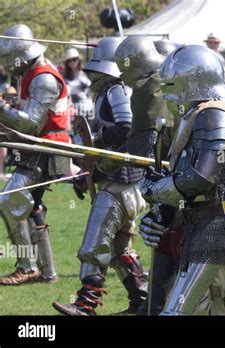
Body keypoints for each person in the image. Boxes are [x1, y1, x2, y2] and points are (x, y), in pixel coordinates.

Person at [139, 45, 225, 315]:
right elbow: (190, 180)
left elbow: (200, 178)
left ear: (191, 81)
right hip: (210, 223)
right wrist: (164, 214)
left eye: (171, 83)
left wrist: (154, 190)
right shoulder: (203, 111)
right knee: (217, 306)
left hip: (220, 227)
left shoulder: (216, 112)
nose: (166, 91)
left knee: (179, 310)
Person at [52, 37, 148, 316]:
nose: (91, 75)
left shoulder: (116, 90)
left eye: (96, 70)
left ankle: (85, 306)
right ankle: (141, 301)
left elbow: (125, 128)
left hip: (120, 183)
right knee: (120, 247)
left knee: (94, 244)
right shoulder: (109, 91)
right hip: (120, 182)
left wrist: (93, 139)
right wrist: (86, 173)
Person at [0, 24, 71, 285]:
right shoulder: (30, 74)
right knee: (31, 208)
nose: (6, 66)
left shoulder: (43, 78)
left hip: (47, 149)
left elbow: (31, 123)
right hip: (35, 149)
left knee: (9, 200)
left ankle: (27, 266)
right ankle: (47, 272)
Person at [115, 35, 178, 315]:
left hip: (171, 176)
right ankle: (156, 303)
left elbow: (145, 142)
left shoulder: (148, 87)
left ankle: (154, 306)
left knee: (166, 237)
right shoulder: (169, 80)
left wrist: (107, 162)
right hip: (186, 172)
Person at [62, 47, 93, 119]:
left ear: (78, 60)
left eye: (74, 59)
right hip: (75, 113)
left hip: (90, 109)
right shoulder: (65, 77)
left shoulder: (86, 73)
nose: (72, 62)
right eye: (69, 60)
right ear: (67, 63)